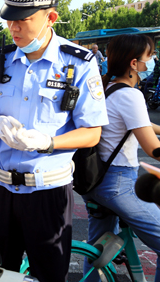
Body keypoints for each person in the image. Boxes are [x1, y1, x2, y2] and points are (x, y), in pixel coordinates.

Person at [0, 0, 108, 282]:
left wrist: (48, 142)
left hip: (47, 193)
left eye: (24, 20)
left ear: (51, 18)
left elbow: (92, 133)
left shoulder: (79, 63)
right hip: (1, 190)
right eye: (10, 20)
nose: (14, 28)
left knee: (48, 275)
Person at [82, 34, 160, 282]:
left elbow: (140, 124)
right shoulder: (131, 95)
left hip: (96, 181)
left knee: (97, 251)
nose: (154, 61)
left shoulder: (108, 88)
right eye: (151, 56)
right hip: (119, 184)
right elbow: (151, 148)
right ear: (134, 64)